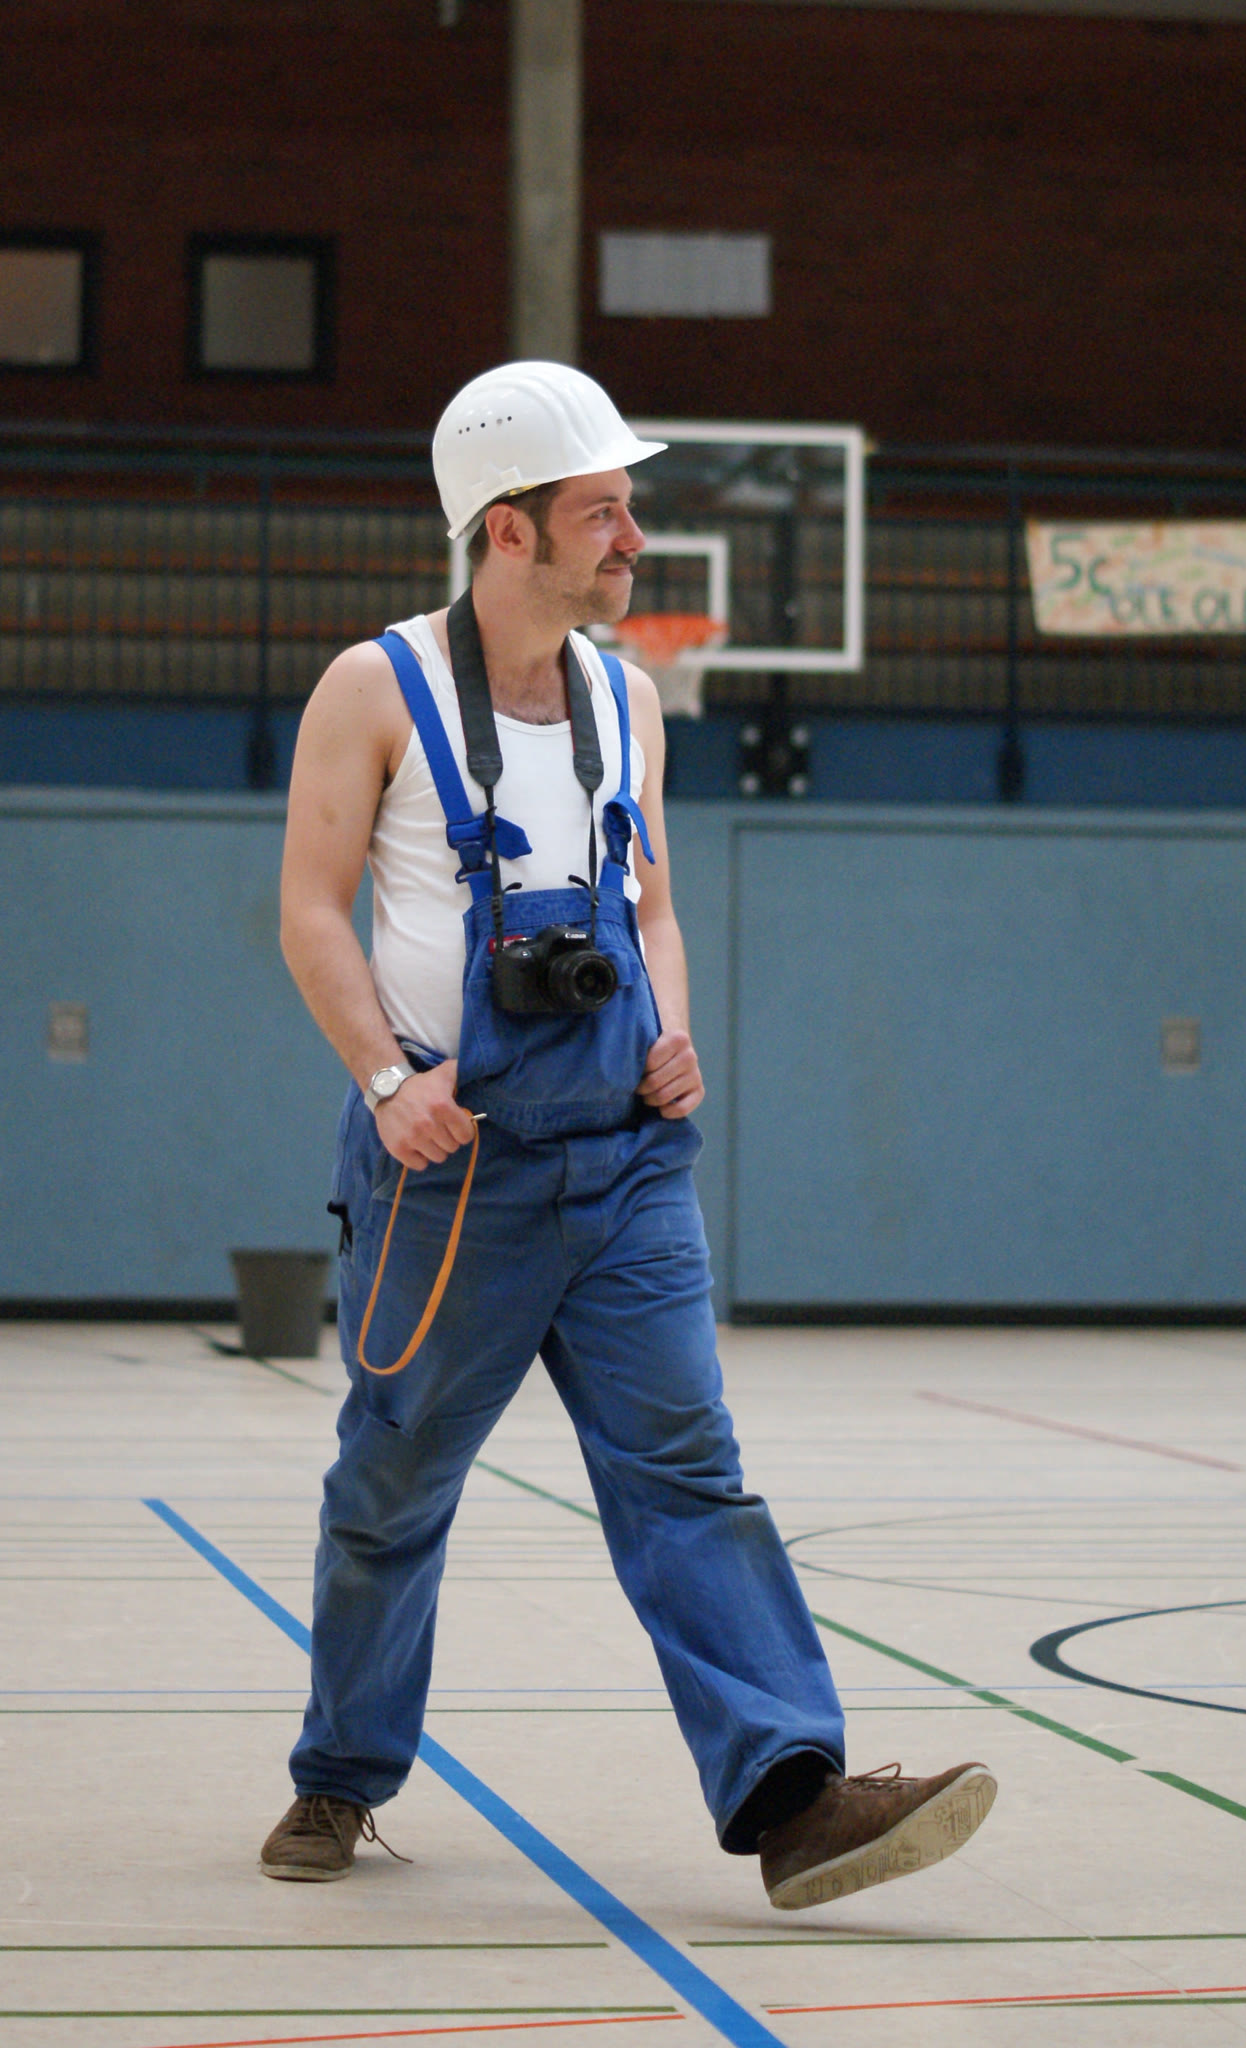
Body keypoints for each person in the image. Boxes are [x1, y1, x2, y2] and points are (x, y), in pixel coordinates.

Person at [263, 361, 996, 1907]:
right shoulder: (372, 690)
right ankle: (340, 1774)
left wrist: (672, 1029)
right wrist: (388, 1082)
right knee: (390, 1489)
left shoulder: (626, 698)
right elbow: (309, 914)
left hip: (624, 1168)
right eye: (604, 510)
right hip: (449, 1173)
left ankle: (793, 1796)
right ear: (508, 530)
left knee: (690, 1476)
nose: (636, 537)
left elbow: (649, 908)